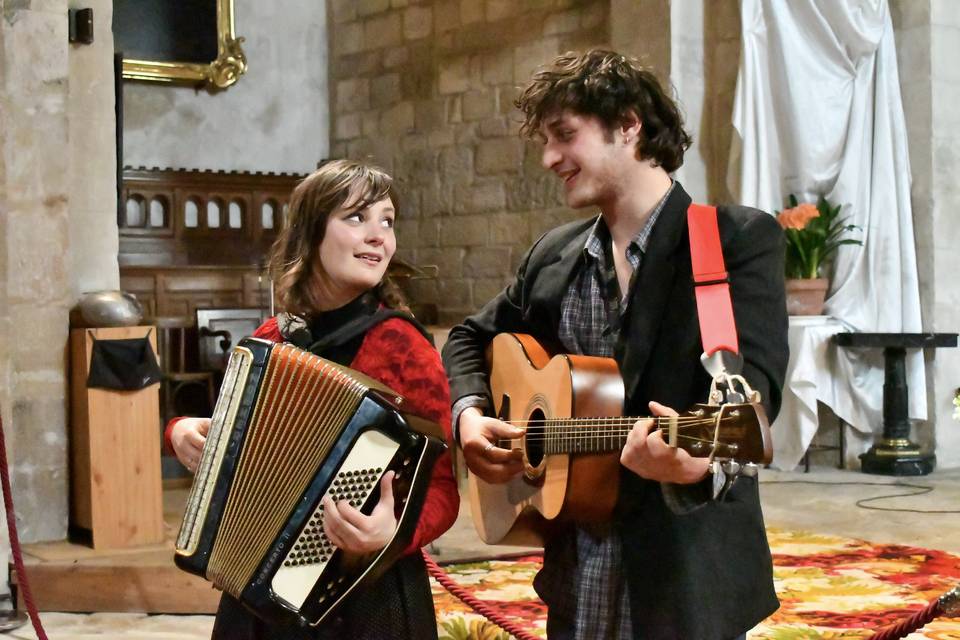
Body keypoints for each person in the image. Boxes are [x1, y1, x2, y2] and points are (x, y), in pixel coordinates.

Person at [442, 50, 789, 640]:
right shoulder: (554, 254)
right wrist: (471, 414)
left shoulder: (734, 239)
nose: (550, 158)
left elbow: (750, 395)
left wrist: (696, 462)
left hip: (683, 573)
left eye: (564, 135)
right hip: (577, 562)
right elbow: (471, 338)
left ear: (628, 125)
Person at [166, 159, 459, 640]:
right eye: (356, 218)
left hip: (366, 597)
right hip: (257, 597)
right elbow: (224, 438)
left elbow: (444, 490)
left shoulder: (404, 347)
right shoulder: (271, 340)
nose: (377, 236)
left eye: (387, 221)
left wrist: (393, 534)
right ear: (311, 232)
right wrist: (179, 431)